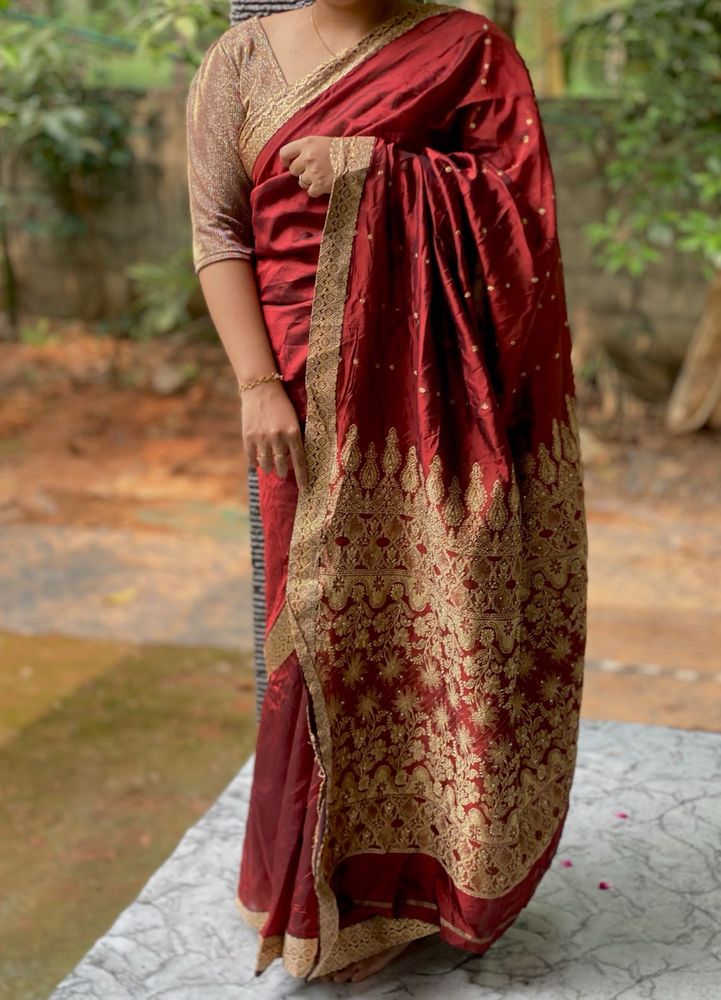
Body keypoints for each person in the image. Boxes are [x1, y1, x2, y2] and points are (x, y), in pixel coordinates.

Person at [185, 0, 589, 985]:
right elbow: (218, 233)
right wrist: (253, 385)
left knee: (451, 625)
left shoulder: (469, 51)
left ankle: (432, 882)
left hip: (447, 410)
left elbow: (519, 222)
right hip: (302, 398)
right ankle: (313, 899)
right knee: (316, 629)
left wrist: (374, 171)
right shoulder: (237, 63)